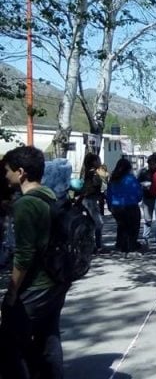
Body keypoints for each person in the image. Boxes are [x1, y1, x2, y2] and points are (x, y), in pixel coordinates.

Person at [0, 146, 71, 379]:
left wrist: (11, 293)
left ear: (20, 172)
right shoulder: (49, 195)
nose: (5, 175)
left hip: (36, 285)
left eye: (7, 170)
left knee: (11, 343)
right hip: (57, 280)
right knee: (49, 337)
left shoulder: (26, 204)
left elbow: (24, 256)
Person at [106, 158, 143, 254]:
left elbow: (109, 194)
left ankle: (121, 244)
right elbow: (139, 193)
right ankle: (131, 244)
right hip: (130, 206)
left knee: (121, 226)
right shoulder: (131, 179)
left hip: (116, 206)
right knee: (133, 226)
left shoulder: (113, 179)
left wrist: (110, 206)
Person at [79, 153, 104, 252]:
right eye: (98, 160)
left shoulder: (87, 172)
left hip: (88, 200)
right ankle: (97, 245)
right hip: (91, 200)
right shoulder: (94, 173)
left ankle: (90, 244)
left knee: (91, 223)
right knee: (99, 223)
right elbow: (97, 185)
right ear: (94, 162)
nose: (100, 162)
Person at [138, 153, 156, 248]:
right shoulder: (143, 172)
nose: (151, 165)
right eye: (149, 163)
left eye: (152, 163)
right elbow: (137, 182)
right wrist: (143, 185)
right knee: (147, 219)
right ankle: (145, 238)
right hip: (147, 197)